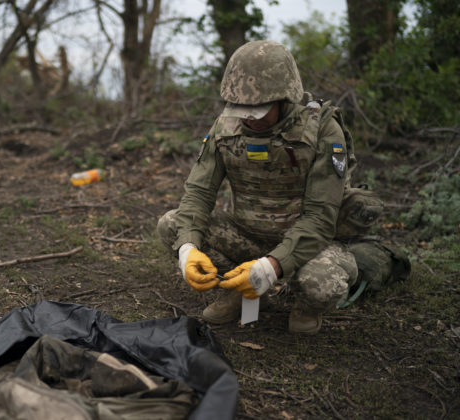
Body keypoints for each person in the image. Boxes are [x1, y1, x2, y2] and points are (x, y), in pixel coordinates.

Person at [157, 40, 409, 334]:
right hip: (248, 235)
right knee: (172, 225)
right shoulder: (225, 127)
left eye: (260, 109)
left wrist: (271, 267)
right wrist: (188, 248)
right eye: (242, 109)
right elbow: (199, 193)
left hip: (309, 244)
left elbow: (319, 217)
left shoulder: (323, 130)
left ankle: (303, 302)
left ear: (285, 99)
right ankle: (242, 289)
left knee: (321, 285)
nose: (250, 117)